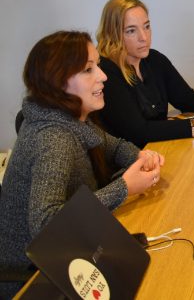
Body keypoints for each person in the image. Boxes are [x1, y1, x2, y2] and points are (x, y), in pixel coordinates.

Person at [0, 31, 164, 298]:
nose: (103, 76)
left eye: (97, 65)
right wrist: (124, 187)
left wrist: (140, 158)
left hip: (77, 253)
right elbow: (46, 225)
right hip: (34, 280)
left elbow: (116, 146)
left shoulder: (70, 120)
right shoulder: (53, 139)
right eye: (89, 69)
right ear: (59, 82)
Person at [96, 0, 194, 148]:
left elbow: (186, 98)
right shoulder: (106, 72)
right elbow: (139, 132)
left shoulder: (154, 59)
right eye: (131, 31)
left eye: (147, 26)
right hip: (133, 161)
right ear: (113, 34)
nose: (144, 37)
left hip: (160, 149)